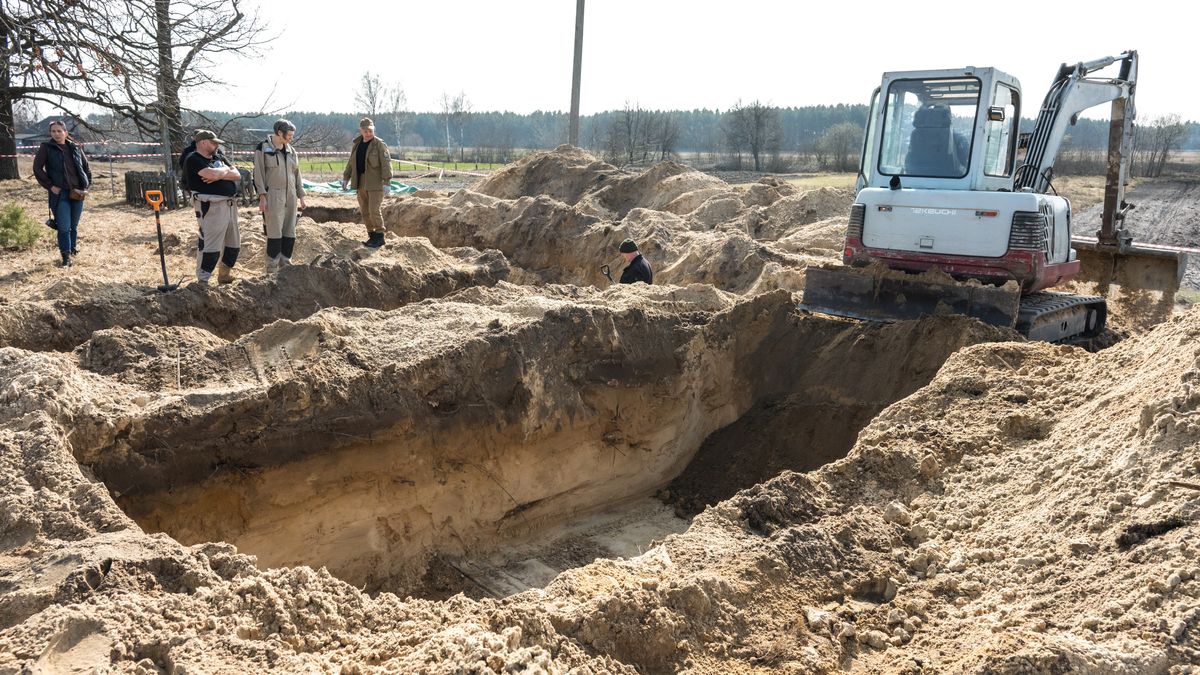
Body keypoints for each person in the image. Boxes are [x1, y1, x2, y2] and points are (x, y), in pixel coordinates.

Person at [184, 129, 242, 285]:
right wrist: (224, 171)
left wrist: (219, 173)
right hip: (211, 206)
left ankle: (224, 275)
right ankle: (202, 281)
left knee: (233, 244)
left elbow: (237, 174)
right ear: (203, 142)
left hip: (230, 205)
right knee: (211, 246)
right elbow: (212, 175)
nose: (217, 145)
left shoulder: (219, 157)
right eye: (214, 142)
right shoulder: (193, 159)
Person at [32, 120, 92, 268]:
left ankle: (72, 250)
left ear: (66, 132)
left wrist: (86, 186)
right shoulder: (46, 148)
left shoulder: (75, 147)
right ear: (50, 133)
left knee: (74, 226)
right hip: (60, 194)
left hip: (77, 193)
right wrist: (50, 186)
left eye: (59, 131)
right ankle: (66, 258)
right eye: (53, 131)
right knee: (64, 226)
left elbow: (86, 168)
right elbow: (37, 168)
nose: (56, 134)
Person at [253, 119, 306, 272]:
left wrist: (301, 195)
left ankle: (286, 263)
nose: (291, 138)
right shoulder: (262, 148)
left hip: (291, 195)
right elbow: (259, 174)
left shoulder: (291, 150)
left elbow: (297, 173)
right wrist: (262, 196)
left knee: (290, 230)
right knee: (275, 232)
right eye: (289, 135)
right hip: (273, 195)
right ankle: (272, 267)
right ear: (279, 133)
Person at [341, 117, 392, 248]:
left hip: (375, 182)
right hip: (360, 181)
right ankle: (372, 236)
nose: (368, 133)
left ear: (373, 130)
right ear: (361, 131)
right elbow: (351, 163)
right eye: (365, 131)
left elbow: (386, 164)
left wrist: (387, 181)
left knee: (374, 209)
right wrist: (346, 178)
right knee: (364, 210)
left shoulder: (379, 144)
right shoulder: (357, 145)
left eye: (370, 130)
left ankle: (380, 236)